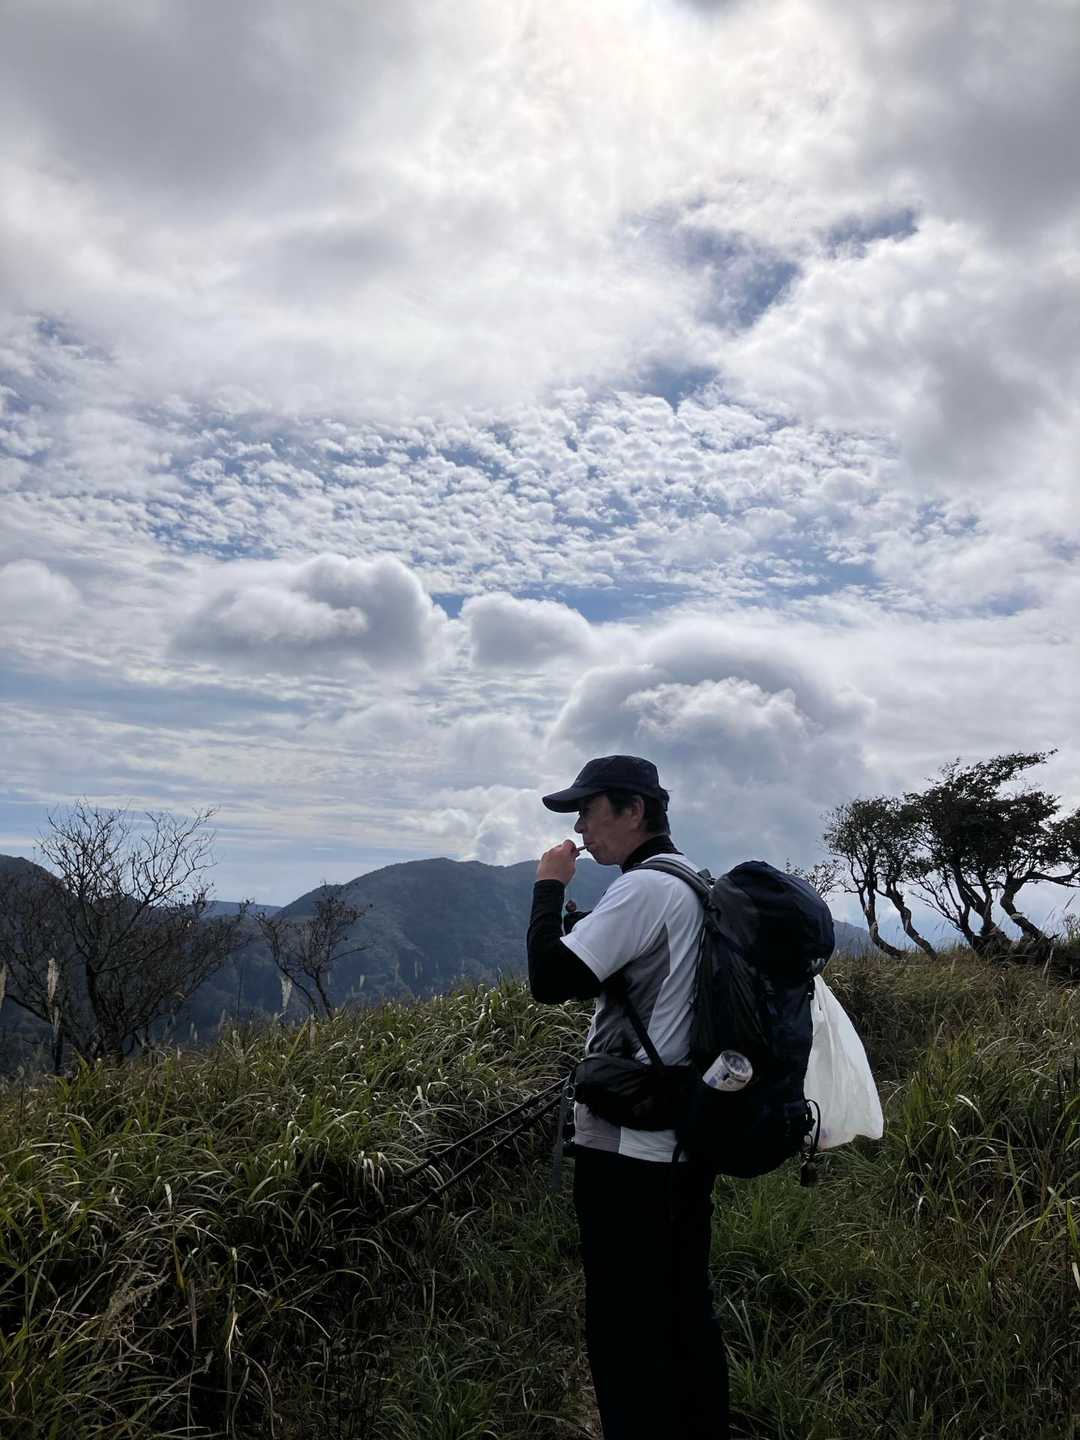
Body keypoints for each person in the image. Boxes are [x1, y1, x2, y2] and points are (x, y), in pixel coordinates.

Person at [528, 755, 729, 1440]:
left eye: (588, 810)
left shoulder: (645, 889)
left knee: (622, 1327)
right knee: (683, 1311)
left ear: (634, 810)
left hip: (629, 1148)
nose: (580, 828)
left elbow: (550, 979)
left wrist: (548, 888)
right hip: (681, 1137)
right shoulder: (691, 882)